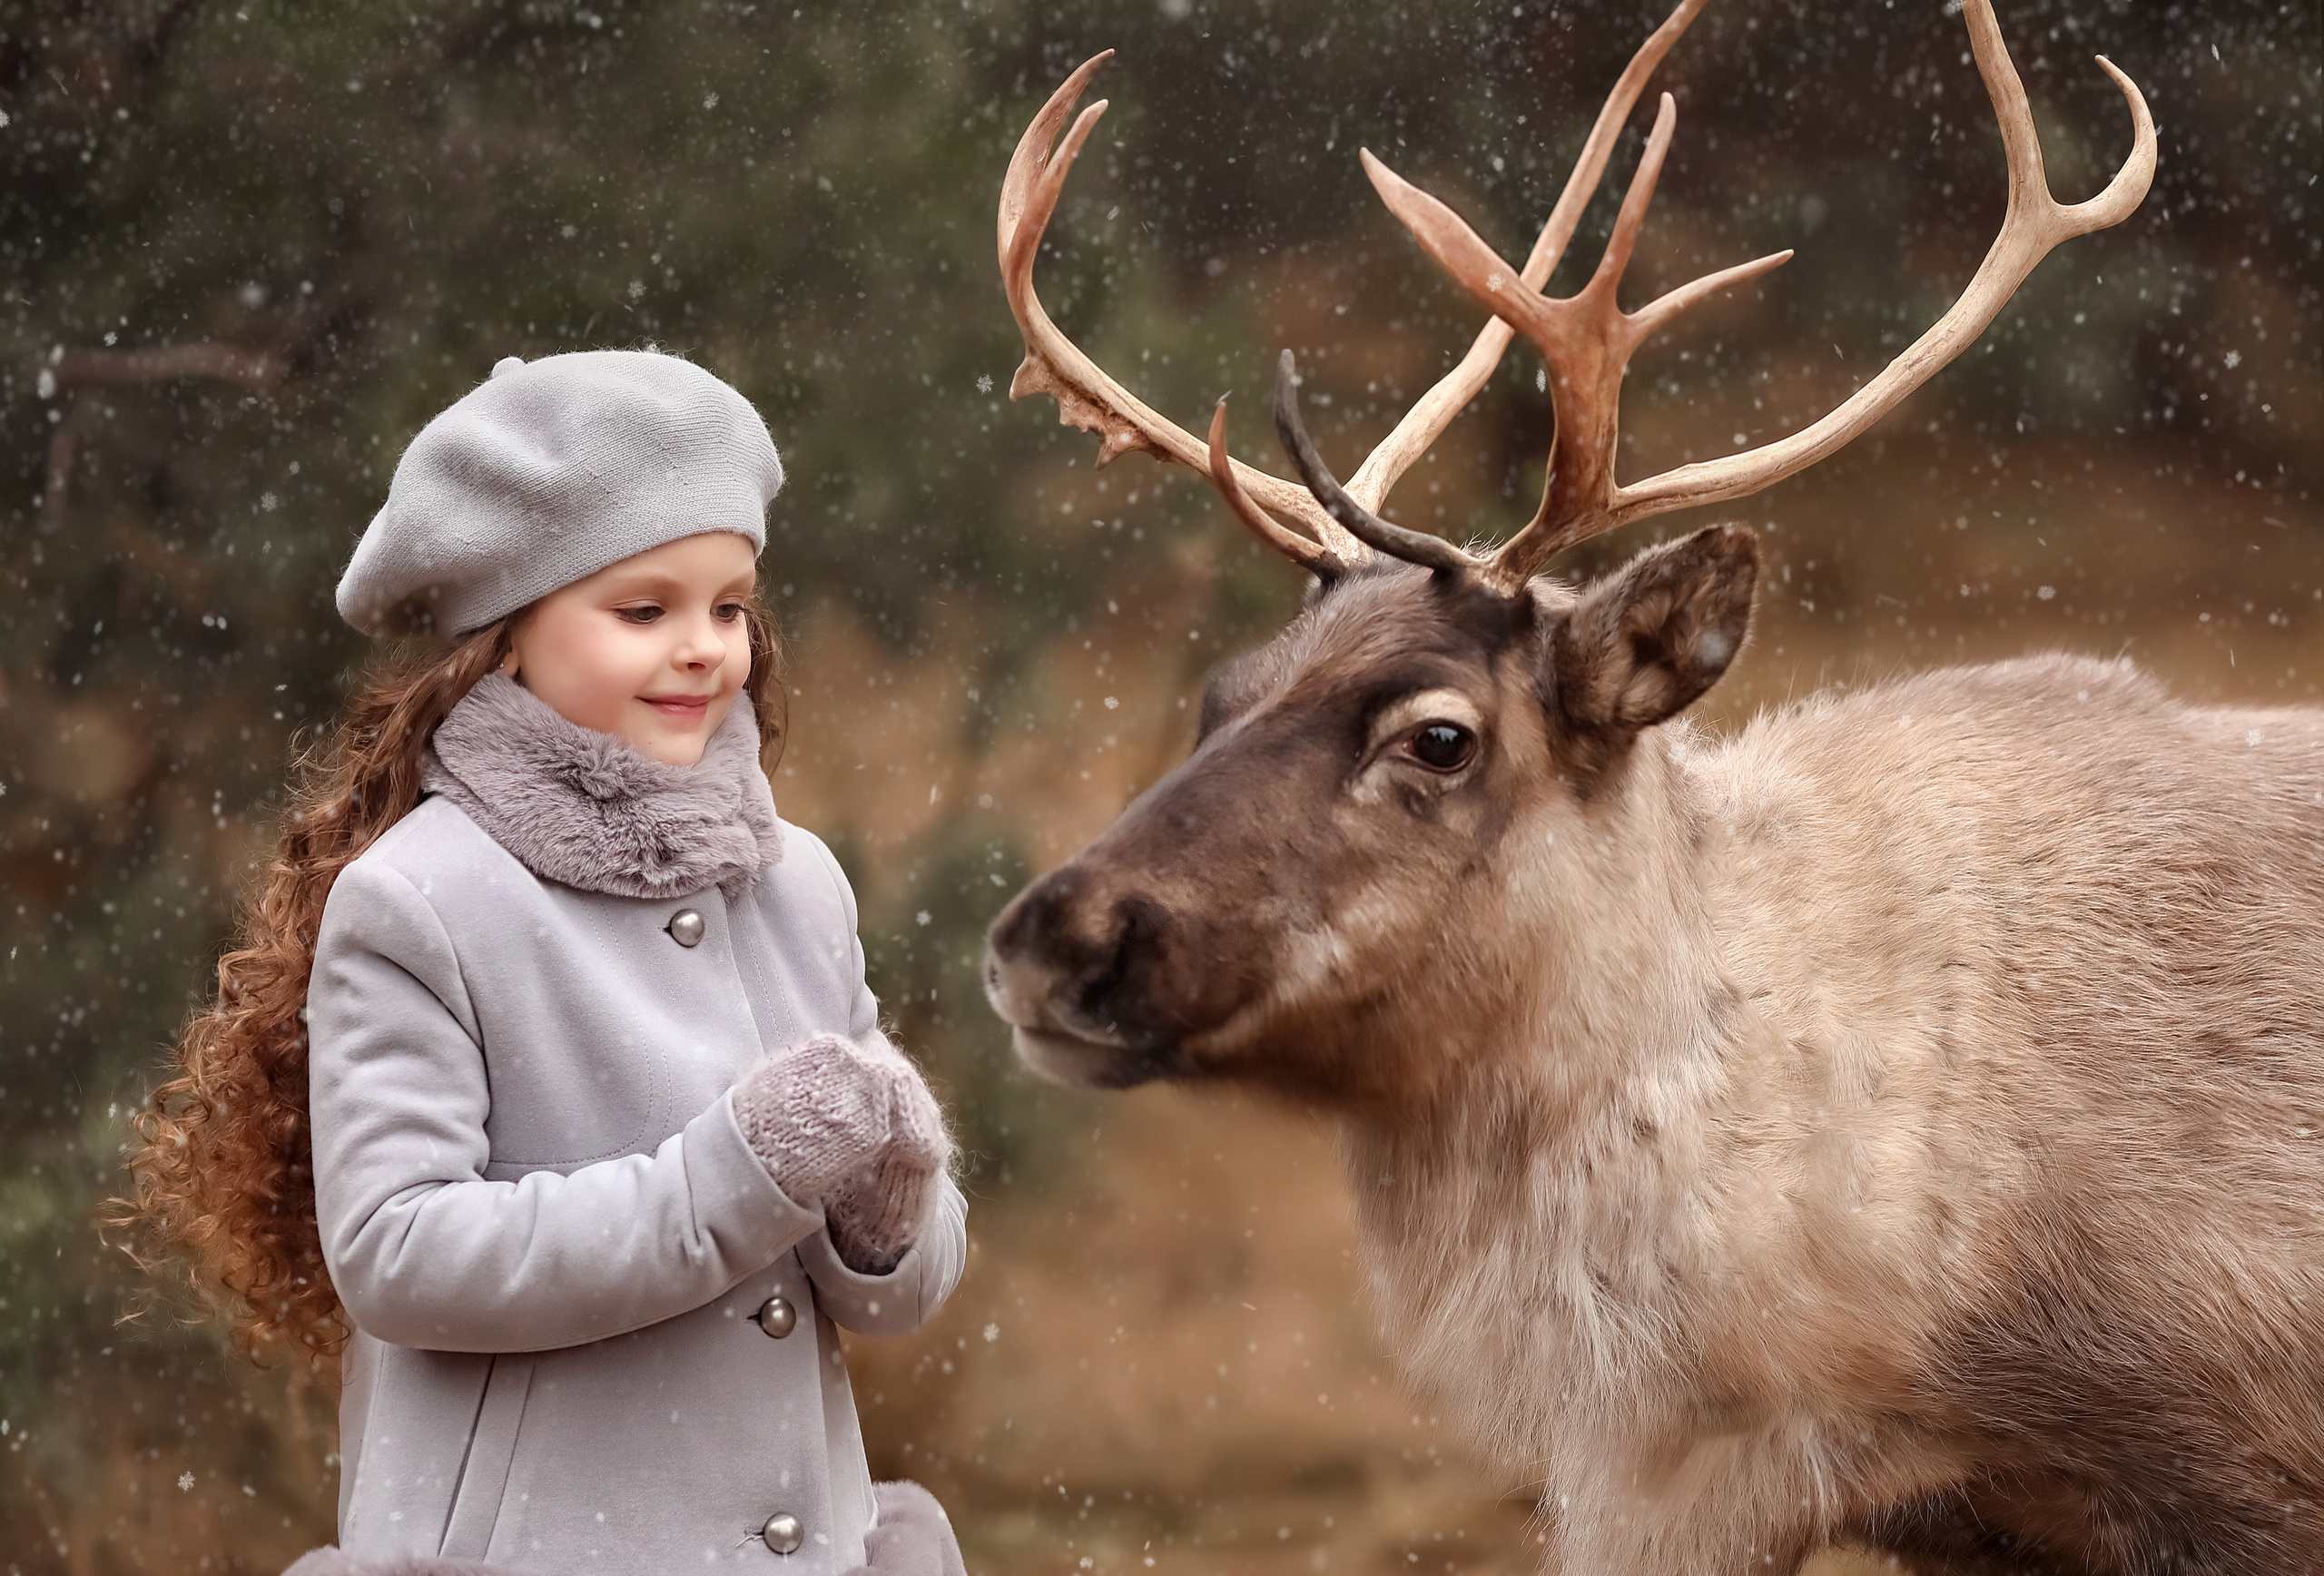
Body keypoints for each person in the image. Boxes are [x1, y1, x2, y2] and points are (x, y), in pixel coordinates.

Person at [124, 350, 969, 1575]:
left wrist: (888, 1218)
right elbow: (402, 1256)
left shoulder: (799, 887)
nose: (704, 649)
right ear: (506, 638)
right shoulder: (420, 903)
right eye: (645, 610)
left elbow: (897, 1298)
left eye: (729, 606)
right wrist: (732, 1178)